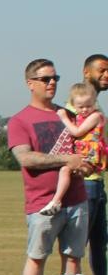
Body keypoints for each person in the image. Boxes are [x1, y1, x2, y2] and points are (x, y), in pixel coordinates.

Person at [8, 59, 91, 275]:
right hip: (42, 203)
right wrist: (67, 159)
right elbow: (25, 158)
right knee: (37, 257)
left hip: (77, 200)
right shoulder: (20, 120)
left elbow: (85, 150)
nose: (52, 83)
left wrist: (86, 165)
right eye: (45, 79)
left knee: (74, 258)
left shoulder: (70, 115)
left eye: (55, 78)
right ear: (30, 83)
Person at [41, 83, 106, 216]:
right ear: (73, 105)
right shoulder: (80, 117)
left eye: (88, 105)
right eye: (80, 107)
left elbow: (77, 132)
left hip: (90, 156)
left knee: (65, 170)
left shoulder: (96, 116)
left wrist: (64, 118)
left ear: (94, 102)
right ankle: (57, 200)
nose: (85, 110)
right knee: (65, 171)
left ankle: (56, 201)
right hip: (83, 155)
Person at [74, 55, 108, 275]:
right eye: (102, 70)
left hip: (97, 181)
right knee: (79, 245)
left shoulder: (96, 107)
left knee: (99, 244)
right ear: (87, 72)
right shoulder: (79, 104)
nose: (107, 76)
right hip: (85, 183)